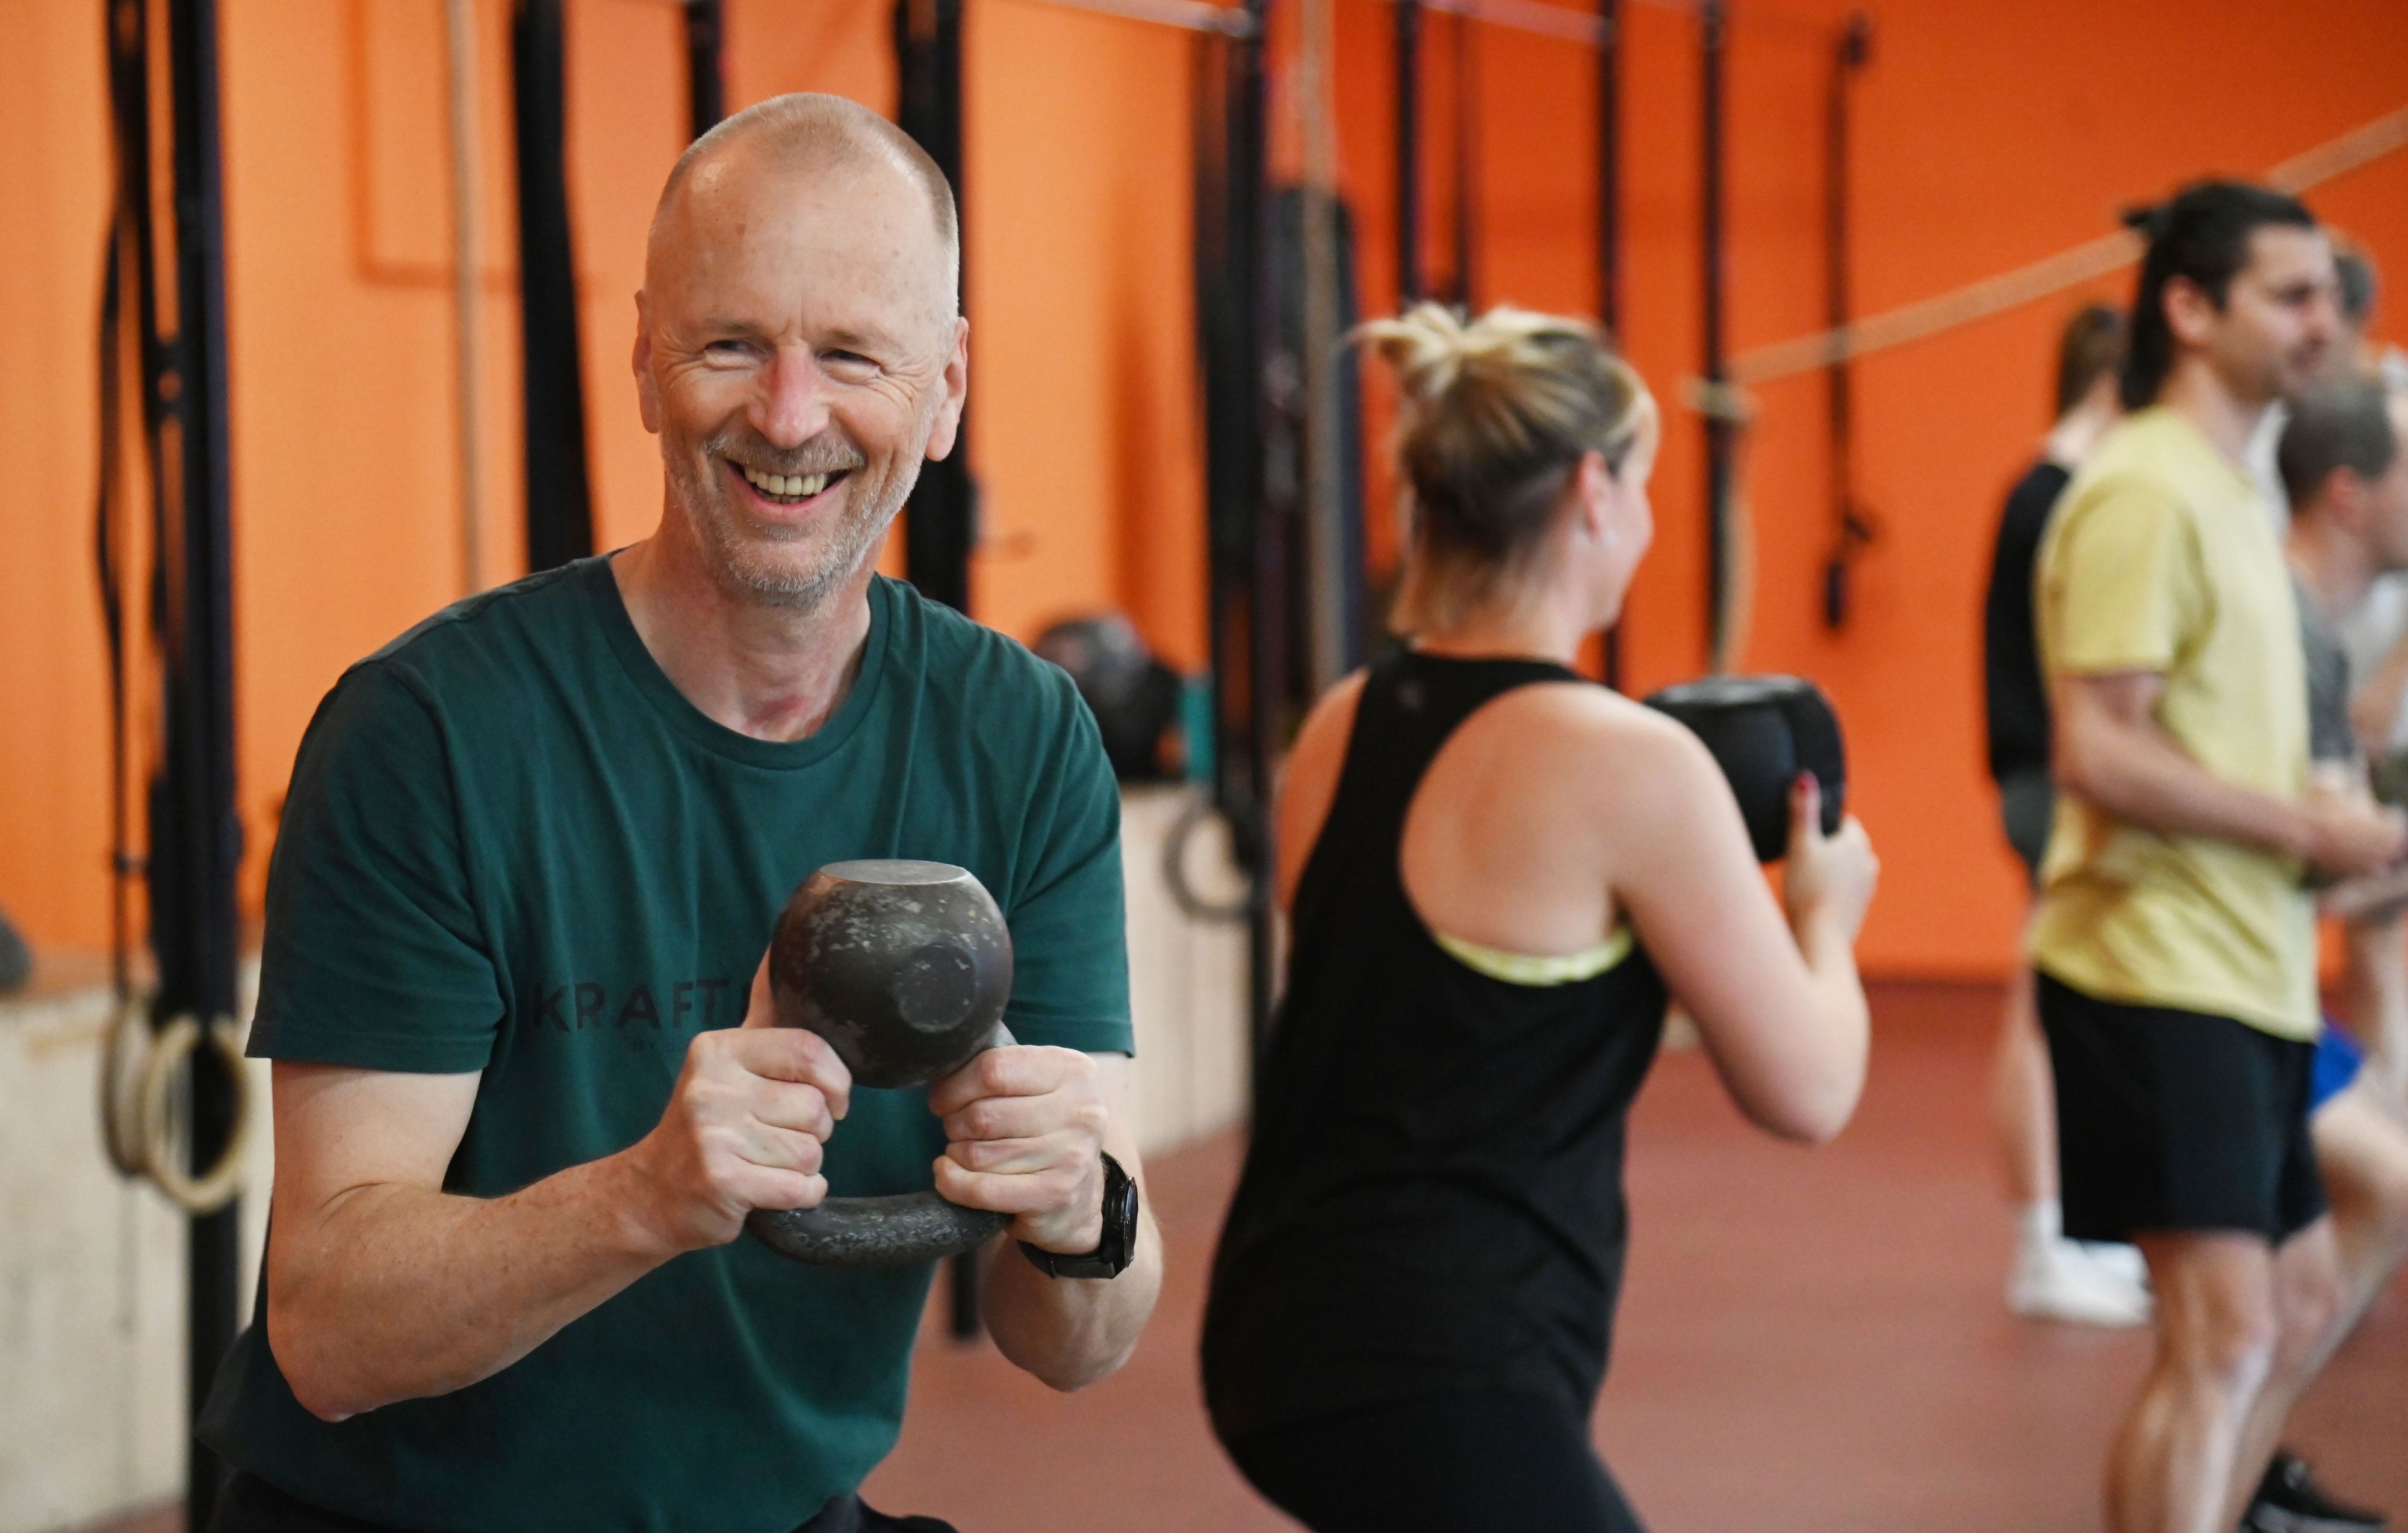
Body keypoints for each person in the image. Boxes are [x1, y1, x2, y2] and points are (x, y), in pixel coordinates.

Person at [194, 94, 1162, 1533]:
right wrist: (642, 1196)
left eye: (850, 355)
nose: (786, 415)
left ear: (947, 388)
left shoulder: (1018, 738)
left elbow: (1078, 1341)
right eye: (729, 345)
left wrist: (1080, 1207)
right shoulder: (432, 734)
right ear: (643, 358)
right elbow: (328, 1330)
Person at [1199, 304, 1880, 1533]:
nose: (1652, 520)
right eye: (1647, 484)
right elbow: (1811, 1086)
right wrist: (1822, 915)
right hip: (1442, 1365)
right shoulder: (1625, 759)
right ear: (1591, 489)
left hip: (1269, 1333)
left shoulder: (1339, 724)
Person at [2029, 179, 2405, 1533]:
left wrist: (2347, 844)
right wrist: (2311, 826)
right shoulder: (2139, 491)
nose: (2324, 320)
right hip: (2149, 965)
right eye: (2289, 295)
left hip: (2239, 964)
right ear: (2187, 309)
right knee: (2222, 1334)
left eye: (2326, 294)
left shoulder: (2234, 497)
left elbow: (2235, 755)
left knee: (2294, 1294)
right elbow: (2098, 749)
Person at [2236, 374, 2408, 1533]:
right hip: (2213, 988)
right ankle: (2226, 1488)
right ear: (2351, 495)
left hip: (2259, 983)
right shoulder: (2280, 631)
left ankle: (2241, 1481)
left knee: (2306, 1274)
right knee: (2227, 1326)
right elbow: (2302, 851)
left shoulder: (2313, 631)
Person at [1980, 302, 2152, 1326]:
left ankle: (2075, 1228)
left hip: (2055, 772)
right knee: (2039, 1008)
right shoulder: (2058, 497)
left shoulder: (2070, 493)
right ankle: (2043, 1237)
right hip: (2053, 777)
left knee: (2062, 1006)